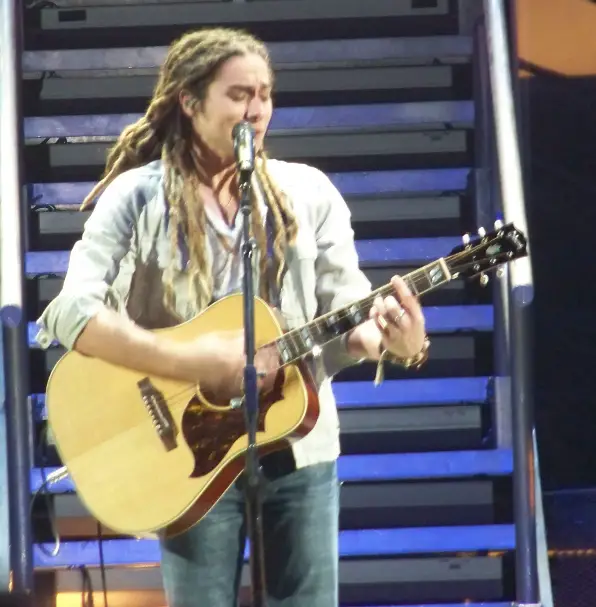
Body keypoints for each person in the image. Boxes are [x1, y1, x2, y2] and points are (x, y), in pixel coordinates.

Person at [36, 27, 429, 607]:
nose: (257, 110)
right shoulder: (136, 197)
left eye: (265, 94)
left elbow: (349, 318)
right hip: (185, 455)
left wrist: (396, 342)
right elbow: (73, 311)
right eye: (239, 94)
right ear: (190, 102)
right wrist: (192, 361)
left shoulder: (309, 193)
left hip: (299, 447)